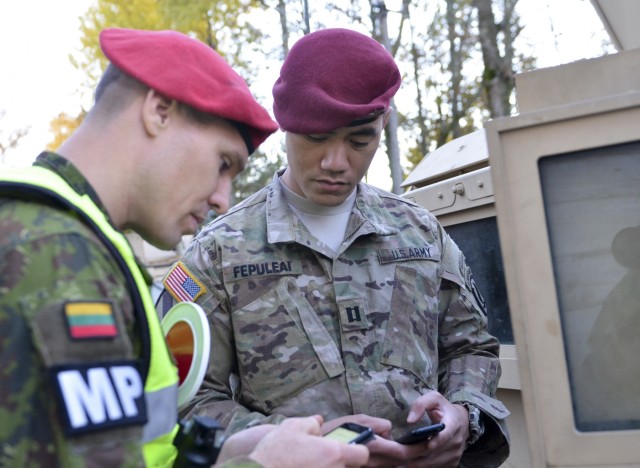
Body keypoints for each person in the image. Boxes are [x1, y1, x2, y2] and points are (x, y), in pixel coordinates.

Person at [0, 27, 369, 468]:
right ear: (159, 111)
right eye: (222, 164)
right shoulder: (58, 253)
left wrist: (224, 451)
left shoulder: (54, 230)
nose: (222, 199)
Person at [158, 27, 511, 467]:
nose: (335, 162)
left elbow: (471, 347)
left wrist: (462, 413)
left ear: (382, 126)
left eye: (360, 141)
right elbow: (185, 401)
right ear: (286, 126)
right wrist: (290, 445)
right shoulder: (217, 254)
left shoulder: (420, 233)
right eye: (315, 138)